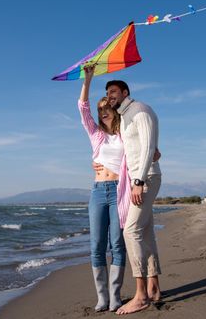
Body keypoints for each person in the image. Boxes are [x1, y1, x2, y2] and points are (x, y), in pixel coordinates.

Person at [103, 80, 163, 315]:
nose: (110, 96)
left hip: (144, 179)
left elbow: (148, 148)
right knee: (146, 231)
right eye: (107, 93)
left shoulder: (140, 110)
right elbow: (143, 148)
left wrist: (138, 181)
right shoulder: (125, 116)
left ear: (125, 92)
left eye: (114, 92)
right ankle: (154, 288)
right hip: (138, 179)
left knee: (131, 231)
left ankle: (140, 295)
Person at [77, 65, 129, 312]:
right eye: (100, 109)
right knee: (97, 245)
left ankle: (115, 295)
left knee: (117, 244)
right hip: (98, 192)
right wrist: (87, 79)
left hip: (119, 191)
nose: (103, 111)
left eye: (107, 107)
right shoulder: (96, 135)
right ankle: (102, 297)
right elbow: (82, 108)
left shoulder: (124, 134)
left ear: (113, 109)